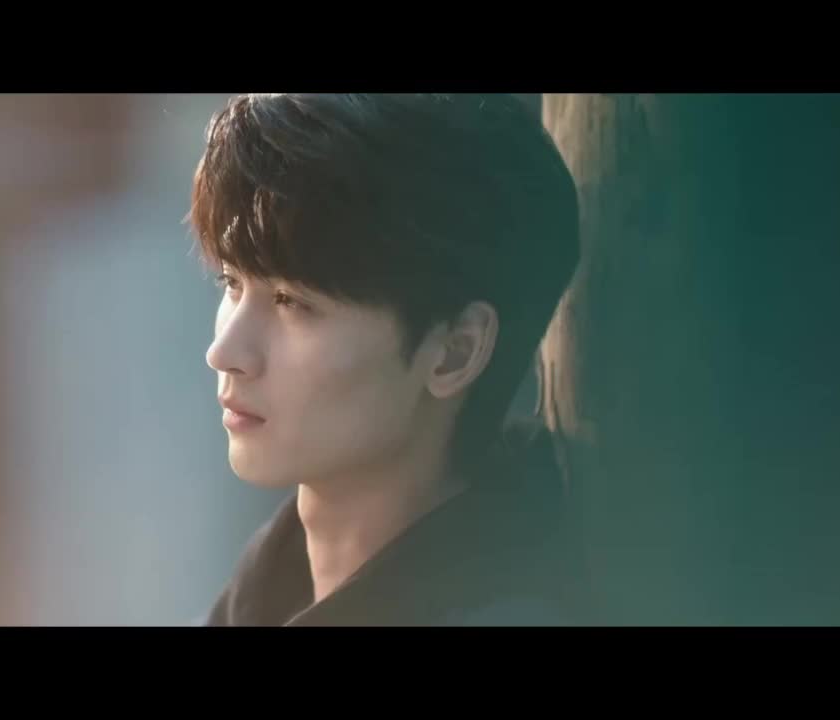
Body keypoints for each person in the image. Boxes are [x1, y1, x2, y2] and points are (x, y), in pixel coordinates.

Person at [186, 93, 587, 626]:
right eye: (231, 283)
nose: (225, 353)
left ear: (455, 352)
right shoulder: (257, 598)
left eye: (292, 302)